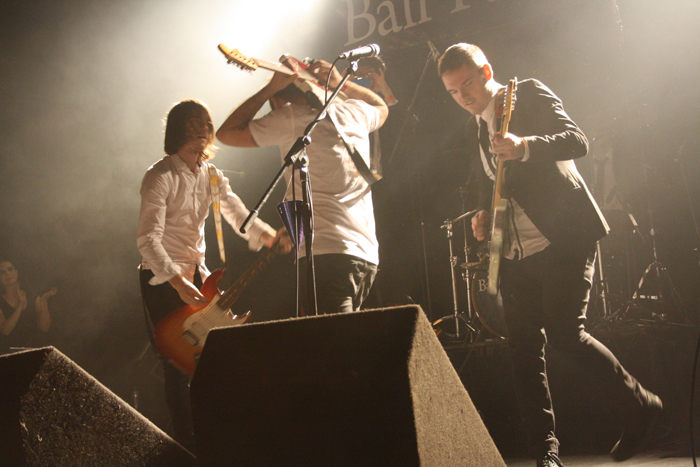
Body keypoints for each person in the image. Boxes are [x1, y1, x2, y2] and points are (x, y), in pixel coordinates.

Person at [437, 43, 662, 467]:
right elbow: (492, 179)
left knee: (565, 334)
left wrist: (525, 145)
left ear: (486, 71)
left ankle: (640, 403)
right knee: (522, 354)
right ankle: (545, 454)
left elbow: (576, 141)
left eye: (466, 83)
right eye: (452, 91)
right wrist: (484, 213)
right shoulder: (475, 129)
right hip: (516, 253)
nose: (463, 96)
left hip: (564, 239)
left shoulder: (526, 95)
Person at [137, 99, 292, 451]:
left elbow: (238, 214)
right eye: (195, 123)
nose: (204, 128)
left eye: (206, 122)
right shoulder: (160, 175)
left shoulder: (211, 175)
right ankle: (184, 445)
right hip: (162, 277)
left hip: (196, 274)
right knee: (177, 362)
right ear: (178, 130)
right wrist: (177, 281)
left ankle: (217, 438)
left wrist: (268, 236)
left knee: (214, 355)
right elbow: (147, 238)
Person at [216, 58, 388, 315]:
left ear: (278, 102)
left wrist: (268, 89)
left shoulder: (291, 118)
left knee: (333, 349)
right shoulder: (353, 112)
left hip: (325, 255)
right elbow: (381, 105)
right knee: (343, 344)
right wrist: (340, 83)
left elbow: (226, 133)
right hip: (364, 255)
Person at [0, 260, 58, 355]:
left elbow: (44, 328)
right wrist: (20, 305)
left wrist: (44, 301)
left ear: (16, 272)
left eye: (10, 269)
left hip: (35, 351)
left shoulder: (32, 296)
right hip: (9, 355)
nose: (7, 273)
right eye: (2, 272)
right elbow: (5, 331)